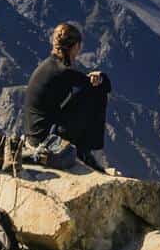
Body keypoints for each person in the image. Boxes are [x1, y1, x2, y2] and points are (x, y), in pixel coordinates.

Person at [22, 22, 112, 173]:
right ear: (76, 46)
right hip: (46, 140)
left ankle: (83, 149)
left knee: (84, 93)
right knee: (96, 93)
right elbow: (103, 86)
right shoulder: (63, 72)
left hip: (34, 135)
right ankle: (84, 151)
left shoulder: (50, 65)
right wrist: (100, 77)